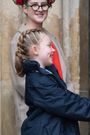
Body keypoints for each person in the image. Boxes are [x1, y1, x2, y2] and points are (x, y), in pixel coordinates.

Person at [14, 29, 90, 135]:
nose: (53, 50)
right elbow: (68, 104)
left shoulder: (45, 74)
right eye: (49, 46)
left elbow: (69, 99)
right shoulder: (38, 80)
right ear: (35, 50)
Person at [10, 0, 73, 134]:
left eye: (43, 4)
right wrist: (64, 101)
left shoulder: (50, 38)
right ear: (24, 8)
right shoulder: (20, 40)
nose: (40, 9)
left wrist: (71, 102)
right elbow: (23, 84)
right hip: (41, 121)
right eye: (34, 4)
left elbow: (65, 76)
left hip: (62, 113)